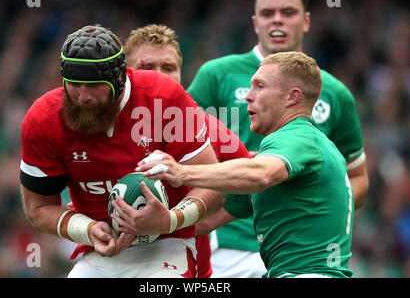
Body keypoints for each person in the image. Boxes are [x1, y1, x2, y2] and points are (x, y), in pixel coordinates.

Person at [187, 0, 368, 278]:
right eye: (268, 13)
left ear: (306, 20)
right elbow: (178, 144)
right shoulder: (216, 75)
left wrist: (307, 184)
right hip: (229, 242)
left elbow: (357, 176)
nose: (278, 20)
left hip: (300, 247)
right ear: (255, 22)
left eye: (288, 12)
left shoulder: (334, 93)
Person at [19, 24, 223, 278]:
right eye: (74, 84)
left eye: (94, 85)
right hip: (101, 252)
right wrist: (88, 228)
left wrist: (170, 219)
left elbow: (213, 184)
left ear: (120, 79)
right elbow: (37, 208)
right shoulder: (43, 119)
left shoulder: (164, 97)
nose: (83, 97)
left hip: (168, 244)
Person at [133, 51, 354, 278]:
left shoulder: (297, 136)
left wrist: (181, 171)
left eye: (259, 86)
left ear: (292, 97)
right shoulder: (308, 146)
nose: (248, 96)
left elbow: (261, 175)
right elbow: (205, 222)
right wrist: (161, 222)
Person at [123, 24, 253, 278]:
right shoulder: (103, 124)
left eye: (169, 68)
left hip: (185, 269)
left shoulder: (208, 129)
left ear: (182, 74)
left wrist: (205, 222)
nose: (159, 76)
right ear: (125, 73)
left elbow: (249, 186)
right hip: (112, 260)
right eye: (147, 67)